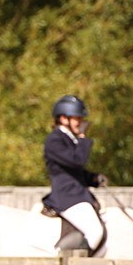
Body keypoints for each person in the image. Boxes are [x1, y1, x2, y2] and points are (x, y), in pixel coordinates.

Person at [41, 95, 108, 255]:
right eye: (78, 118)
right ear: (64, 119)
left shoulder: (68, 139)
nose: (82, 123)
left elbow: (72, 171)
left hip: (76, 194)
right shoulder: (55, 140)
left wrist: (92, 178)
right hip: (67, 197)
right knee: (95, 231)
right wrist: (83, 139)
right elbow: (77, 161)